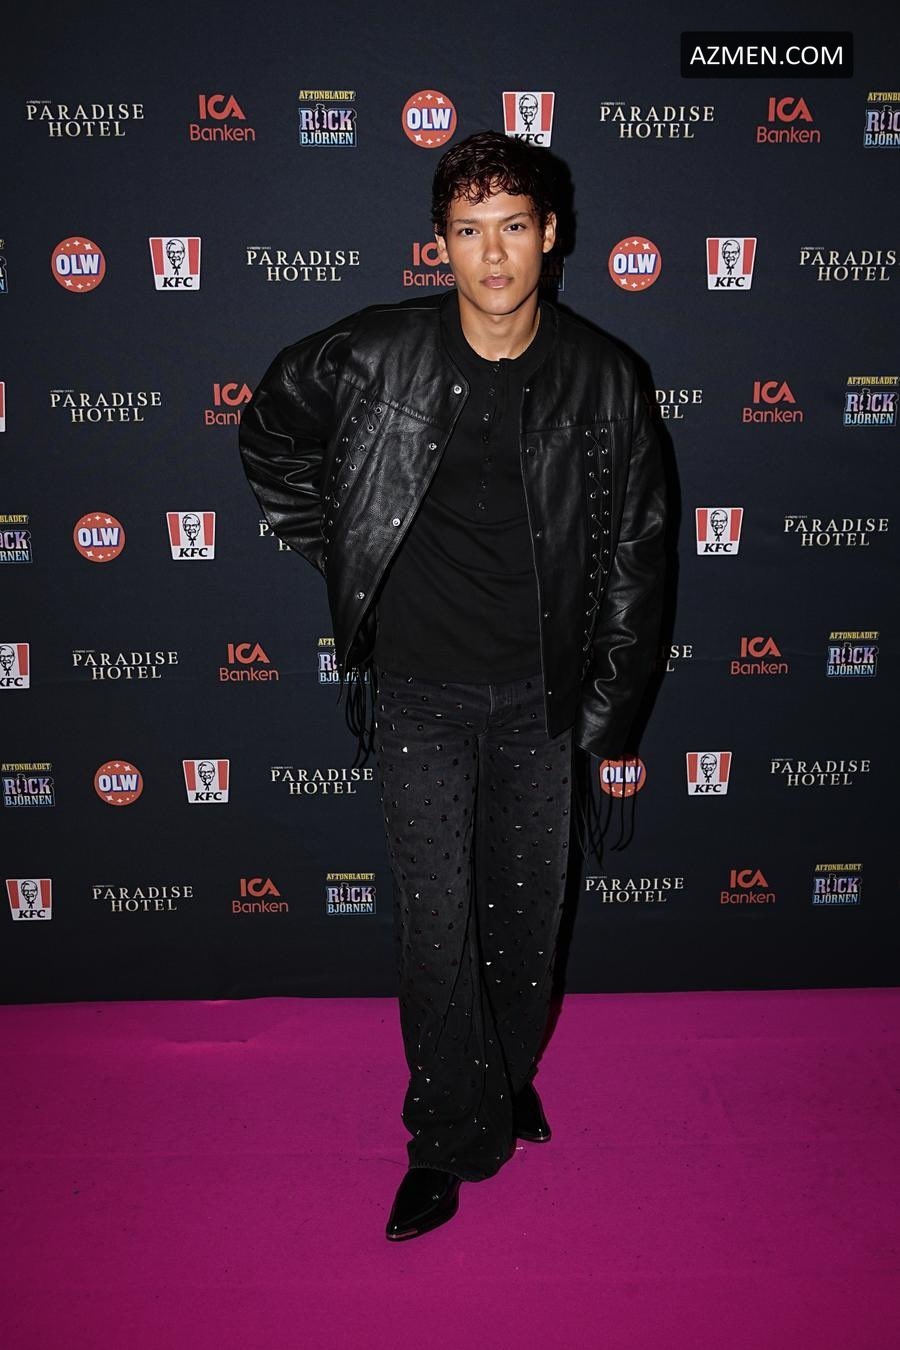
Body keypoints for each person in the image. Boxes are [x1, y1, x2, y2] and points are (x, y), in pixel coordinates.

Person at [239, 130, 666, 1241]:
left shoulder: (606, 378)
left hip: (541, 697)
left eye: (514, 227)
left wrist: (608, 719)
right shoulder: (378, 353)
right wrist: (348, 552)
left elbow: (636, 558)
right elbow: (270, 428)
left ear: (551, 235)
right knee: (437, 927)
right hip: (420, 693)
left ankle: (503, 1076)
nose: (494, 254)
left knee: (525, 921)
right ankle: (444, 1136)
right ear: (439, 243)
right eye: (470, 231)